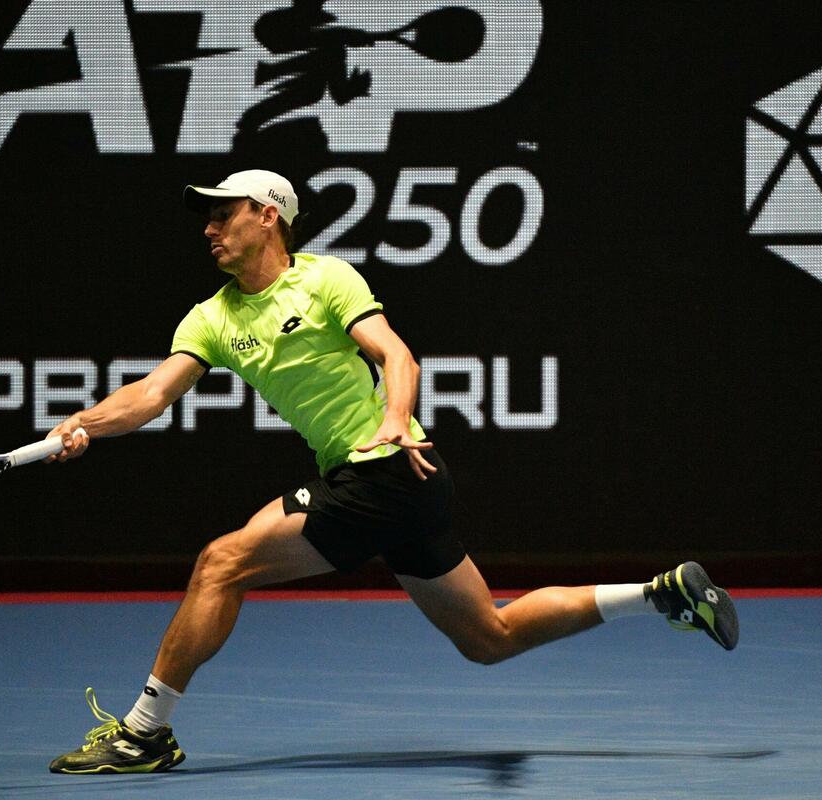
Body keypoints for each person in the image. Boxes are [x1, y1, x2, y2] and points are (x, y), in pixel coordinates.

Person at [45, 169, 739, 775]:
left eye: (223, 214)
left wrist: (395, 418)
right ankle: (659, 594)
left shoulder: (325, 279)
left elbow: (395, 356)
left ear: (268, 216)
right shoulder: (212, 317)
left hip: (386, 467)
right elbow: (151, 395)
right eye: (207, 217)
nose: (209, 228)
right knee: (488, 638)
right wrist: (83, 424)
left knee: (221, 563)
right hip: (390, 485)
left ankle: (143, 733)